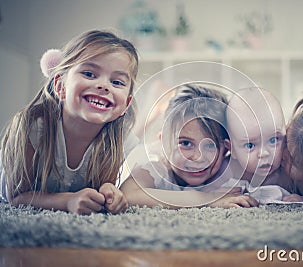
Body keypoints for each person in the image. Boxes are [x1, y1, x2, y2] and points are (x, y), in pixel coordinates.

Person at [0, 30, 139, 214]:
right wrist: (67, 201)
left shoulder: (120, 140)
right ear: (60, 86)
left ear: (125, 105)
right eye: (89, 74)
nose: (104, 85)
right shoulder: (32, 128)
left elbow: (105, 187)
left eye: (117, 82)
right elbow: (15, 197)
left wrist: (109, 192)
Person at [120, 83, 258, 208]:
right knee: (132, 140)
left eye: (210, 146)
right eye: (185, 143)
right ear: (163, 143)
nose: (198, 157)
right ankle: (151, 111)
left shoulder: (226, 166)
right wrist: (206, 199)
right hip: (140, 151)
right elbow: (128, 195)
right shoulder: (158, 169)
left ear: (226, 148)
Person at [223, 87, 293, 197]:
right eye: (250, 145)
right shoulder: (227, 170)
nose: (264, 153)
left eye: (273, 140)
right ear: (232, 149)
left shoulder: (291, 170)